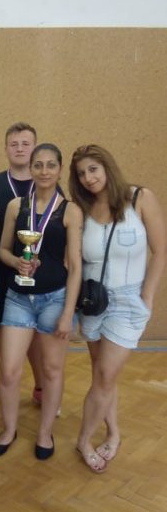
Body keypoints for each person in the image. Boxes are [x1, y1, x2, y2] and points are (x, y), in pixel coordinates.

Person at [69, 144, 165, 473]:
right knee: (102, 376)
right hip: (94, 300)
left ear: (107, 167)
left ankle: (83, 440)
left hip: (128, 301)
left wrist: (147, 295)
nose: (88, 178)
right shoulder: (82, 209)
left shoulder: (140, 198)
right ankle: (113, 432)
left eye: (93, 169)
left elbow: (161, 250)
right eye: (82, 173)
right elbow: (77, 260)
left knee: (106, 375)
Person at [0, 143, 82, 459]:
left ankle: (44, 433)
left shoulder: (70, 211)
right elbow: (3, 251)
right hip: (18, 298)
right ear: (30, 169)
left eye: (50, 165)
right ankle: (9, 429)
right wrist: (17, 262)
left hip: (55, 299)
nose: (44, 171)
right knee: (9, 371)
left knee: (52, 370)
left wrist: (68, 313)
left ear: (60, 169)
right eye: (38, 165)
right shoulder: (16, 206)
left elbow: (76, 267)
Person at [0, 122, 46, 410]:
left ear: (35, 148)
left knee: (34, 333)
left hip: (36, 271)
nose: (20, 149)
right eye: (14, 144)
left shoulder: (47, 182)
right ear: (5, 148)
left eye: (26, 144)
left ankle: (41, 386)